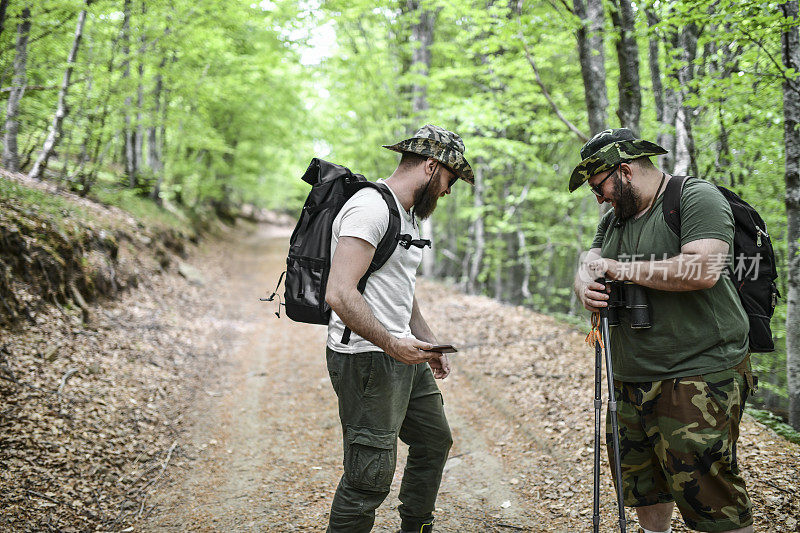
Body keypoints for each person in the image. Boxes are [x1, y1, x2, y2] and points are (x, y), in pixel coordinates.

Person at [571, 128, 756, 533]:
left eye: (599, 186)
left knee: (711, 498)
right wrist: (584, 284)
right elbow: (590, 260)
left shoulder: (695, 197)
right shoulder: (613, 220)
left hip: (697, 375)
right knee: (645, 488)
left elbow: (703, 268)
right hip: (631, 377)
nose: (598, 197)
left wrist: (619, 270)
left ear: (624, 171)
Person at [324, 125, 473, 533]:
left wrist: (425, 340)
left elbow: (401, 289)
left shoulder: (407, 215)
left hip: (401, 352)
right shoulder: (370, 208)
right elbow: (339, 292)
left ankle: (417, 527)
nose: (447, 191)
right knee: (368, 475)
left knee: (432, 441)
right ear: (430, 166)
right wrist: (392, 344)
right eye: (449, 180)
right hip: (367, 359)